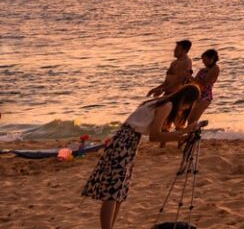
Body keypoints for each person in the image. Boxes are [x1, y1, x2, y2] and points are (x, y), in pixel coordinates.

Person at [81, 85, 201, 228]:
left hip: (127, 141)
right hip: (125, 142)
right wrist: (181, 136)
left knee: (118, 192)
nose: (186, 108)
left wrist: (184, 133)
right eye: (187, 105)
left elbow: (165, 132)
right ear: (184, 99)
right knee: (112, 192)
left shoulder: (163, 102)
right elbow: (154, 136)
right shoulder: (167, 105)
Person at [183, 49, 219, 130]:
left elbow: (204, 83)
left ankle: (196, 132)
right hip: (197, 95)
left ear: (212, 58)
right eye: (202, 60)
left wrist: (190, 77)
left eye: (205, 60)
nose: (203, 62)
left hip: (205, 97)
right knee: (190, 120)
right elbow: (194, 83)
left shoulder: (215, 69)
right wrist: (188, 77)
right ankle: (193, 136)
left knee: (193, 120)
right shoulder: (202, 70)